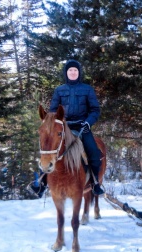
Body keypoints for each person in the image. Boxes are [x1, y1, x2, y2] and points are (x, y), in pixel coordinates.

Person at [49, 59, 104, 195]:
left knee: (94, 152)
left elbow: (95, 110)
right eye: (70, 70)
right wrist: (57, 124)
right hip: (64, 128)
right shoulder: (59, 90)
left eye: (75, 70)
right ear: (66, 73)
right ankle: (41, 183)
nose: (72, 72)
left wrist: (88, 122)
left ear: (79, 73)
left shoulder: (87, 89)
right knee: (49, 148)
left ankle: (95, 182)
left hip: (82, 127)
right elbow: (52, 111)